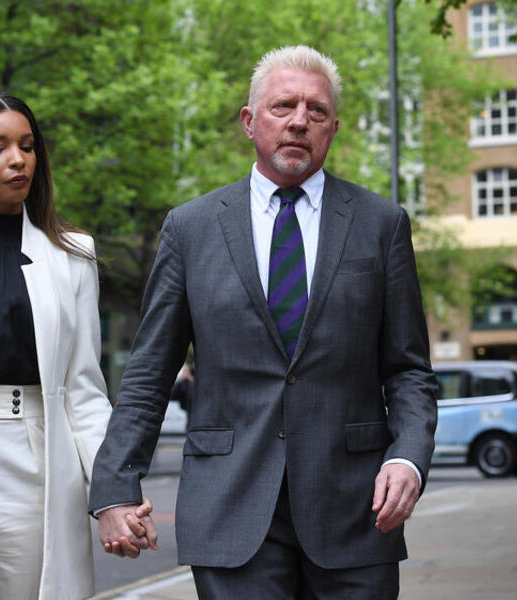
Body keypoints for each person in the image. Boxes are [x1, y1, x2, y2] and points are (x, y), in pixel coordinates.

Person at [90, 46, 437, 599]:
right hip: (230, 509)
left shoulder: (381, 224)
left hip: (356, 510)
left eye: (317, 111)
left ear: (333, 129)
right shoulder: (190, 228)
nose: (300, 121)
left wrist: (408, 457)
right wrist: (115, 487)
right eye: (283, 106)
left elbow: (409, 370)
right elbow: (150, 372)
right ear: (250, 121)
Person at [0, 88, 151, 600]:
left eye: (27, 146)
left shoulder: (73, 255)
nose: (17, 160)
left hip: (33, 457)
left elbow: (84, 391)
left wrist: (113, 493)